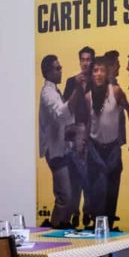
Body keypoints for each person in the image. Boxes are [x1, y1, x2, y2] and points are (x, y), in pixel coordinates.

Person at [86, 57, 129, 226]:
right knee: (99, 189)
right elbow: (84, 123)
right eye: (95, 70)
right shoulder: (87, 98)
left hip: (113, 148)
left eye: (102, 70)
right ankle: (98, 227)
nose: (99, 74)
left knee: (112, 189)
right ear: (91, 74)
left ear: (107, 74)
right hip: (95, 148)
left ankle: (110, 227)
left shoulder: (116, 91)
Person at [38, 54, 83, 228]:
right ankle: (55, 227)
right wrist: (77, 91)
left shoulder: (55, 91)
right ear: (48, 72)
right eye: (57, 68)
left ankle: (62, 223)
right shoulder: (47, 94)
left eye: (60, 67)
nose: (61, 70)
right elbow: (61, 114)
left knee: (70, 193)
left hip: (63, 149)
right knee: (64, 195)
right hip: (55, 150)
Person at [63, 46, 94, 228]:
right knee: (74, 174)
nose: (85, 63)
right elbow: (65, 108)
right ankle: (74, 211)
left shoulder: (97, 81)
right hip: (73, 133)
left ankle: (88, 210)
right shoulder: (71, 82)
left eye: (88, 59)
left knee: (88, 174)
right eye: (83, 59)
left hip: (91, 133)